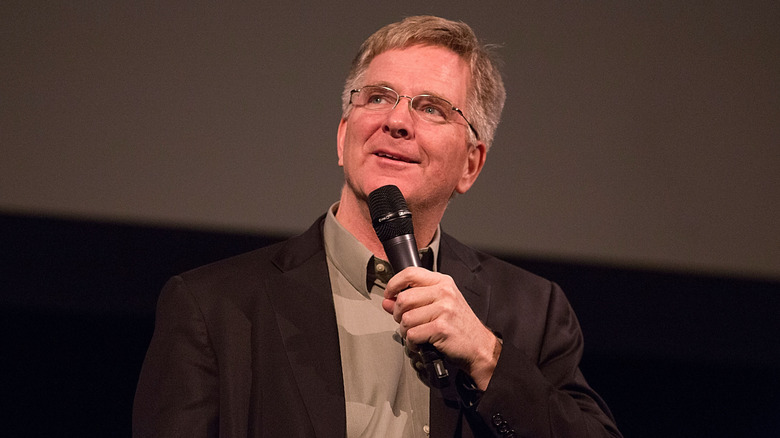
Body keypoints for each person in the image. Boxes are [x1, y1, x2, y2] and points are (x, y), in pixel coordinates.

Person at [133, 15, 622, 438]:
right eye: (378, 97)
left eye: (431, 107)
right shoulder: (213, 308)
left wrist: (488, 357)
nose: (397, 121)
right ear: (344, 136)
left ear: (471, 164)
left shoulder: (531, 314)